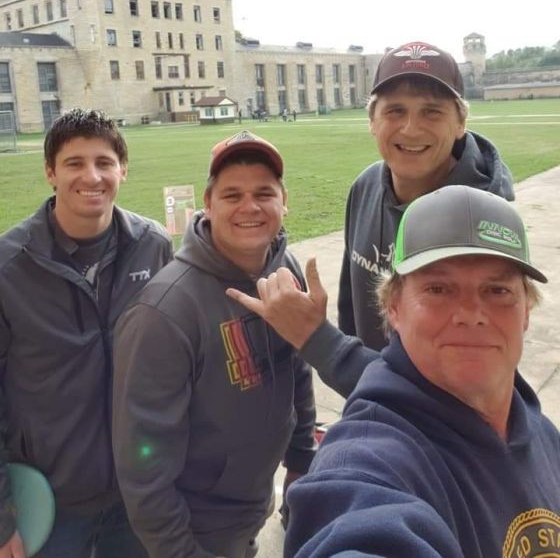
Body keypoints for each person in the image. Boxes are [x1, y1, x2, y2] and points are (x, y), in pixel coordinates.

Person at [284, 185, 560, 558]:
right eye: (438, 289)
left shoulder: (539, 430)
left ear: (526, 310)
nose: (471, 314)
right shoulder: (369, 462)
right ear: (393, 307)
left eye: (497, 290)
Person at [112, 130, 316, 558]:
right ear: (207, 204)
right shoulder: (164, 313)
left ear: (284, 201)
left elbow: (297, 367)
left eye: (264, 193)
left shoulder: (285, 269)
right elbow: (143, 466)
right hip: (196, 530)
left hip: (251, 505)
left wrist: (301, 458)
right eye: (232, 195)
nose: (249, 207)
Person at [0, 108, 173, 558]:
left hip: (138, 492)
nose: (91, 176)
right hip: (51, 500)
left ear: (123, 170)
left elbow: (176, 362)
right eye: (74, 163)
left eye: (104, 162)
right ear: (50, 172)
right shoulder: (8, 267)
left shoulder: (153, 246)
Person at [339, 41, 514, 350]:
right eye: (395, 111)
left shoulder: (485, 221)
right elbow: (350, 308)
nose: (410, 129)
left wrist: (322, 344)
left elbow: (462, 364)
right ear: (372, 122)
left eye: (432, 112)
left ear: (461, 123)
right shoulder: (365, 187)